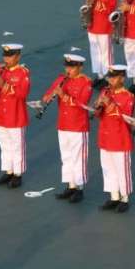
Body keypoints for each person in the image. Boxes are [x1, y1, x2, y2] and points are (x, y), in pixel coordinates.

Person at [45, 54, 94, 202]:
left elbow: (82, 103)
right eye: (67, 67)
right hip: (63, 124)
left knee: (78, 157)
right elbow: (49, 93)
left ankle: (79, 188)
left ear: (80, 67)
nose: (68, 70)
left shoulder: (86, 82)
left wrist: (64, 96)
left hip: (78, 125)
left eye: (72, 67)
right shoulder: (62, 79)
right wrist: (48, 97)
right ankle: (70, 185)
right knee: (66, 156)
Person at [94, 66, 135, 212]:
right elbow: (98, 115)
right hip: (105, 137)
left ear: (122, 78)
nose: (111, 80)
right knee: (108, 168)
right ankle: (114, 196)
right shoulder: (105, 92)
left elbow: (126, 117)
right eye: (110, 77)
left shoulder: (128, 96)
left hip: (120, 138)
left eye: (114, 77)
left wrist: (110, 104)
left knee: (122, 170)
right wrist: (97, 106)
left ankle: (124, 198)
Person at [0, 43, 30, 188]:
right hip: (1, 114)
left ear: (18, 57)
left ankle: (18, 174)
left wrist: (4, 84)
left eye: (10, 56)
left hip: (16, 115)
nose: (6, 59)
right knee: (5, 145)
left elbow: (22, 94)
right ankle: (8, 171)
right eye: (5, 56)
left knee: (17, 146)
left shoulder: (23, 73)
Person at [83, 0, 118, 82]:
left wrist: (96, 2)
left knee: (105, 52)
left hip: (104, 25)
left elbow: (112, 7)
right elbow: (87, 3)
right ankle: (99, 75)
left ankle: (108, 77)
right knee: (95, 51)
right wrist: (88, 2)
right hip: (92, 23)